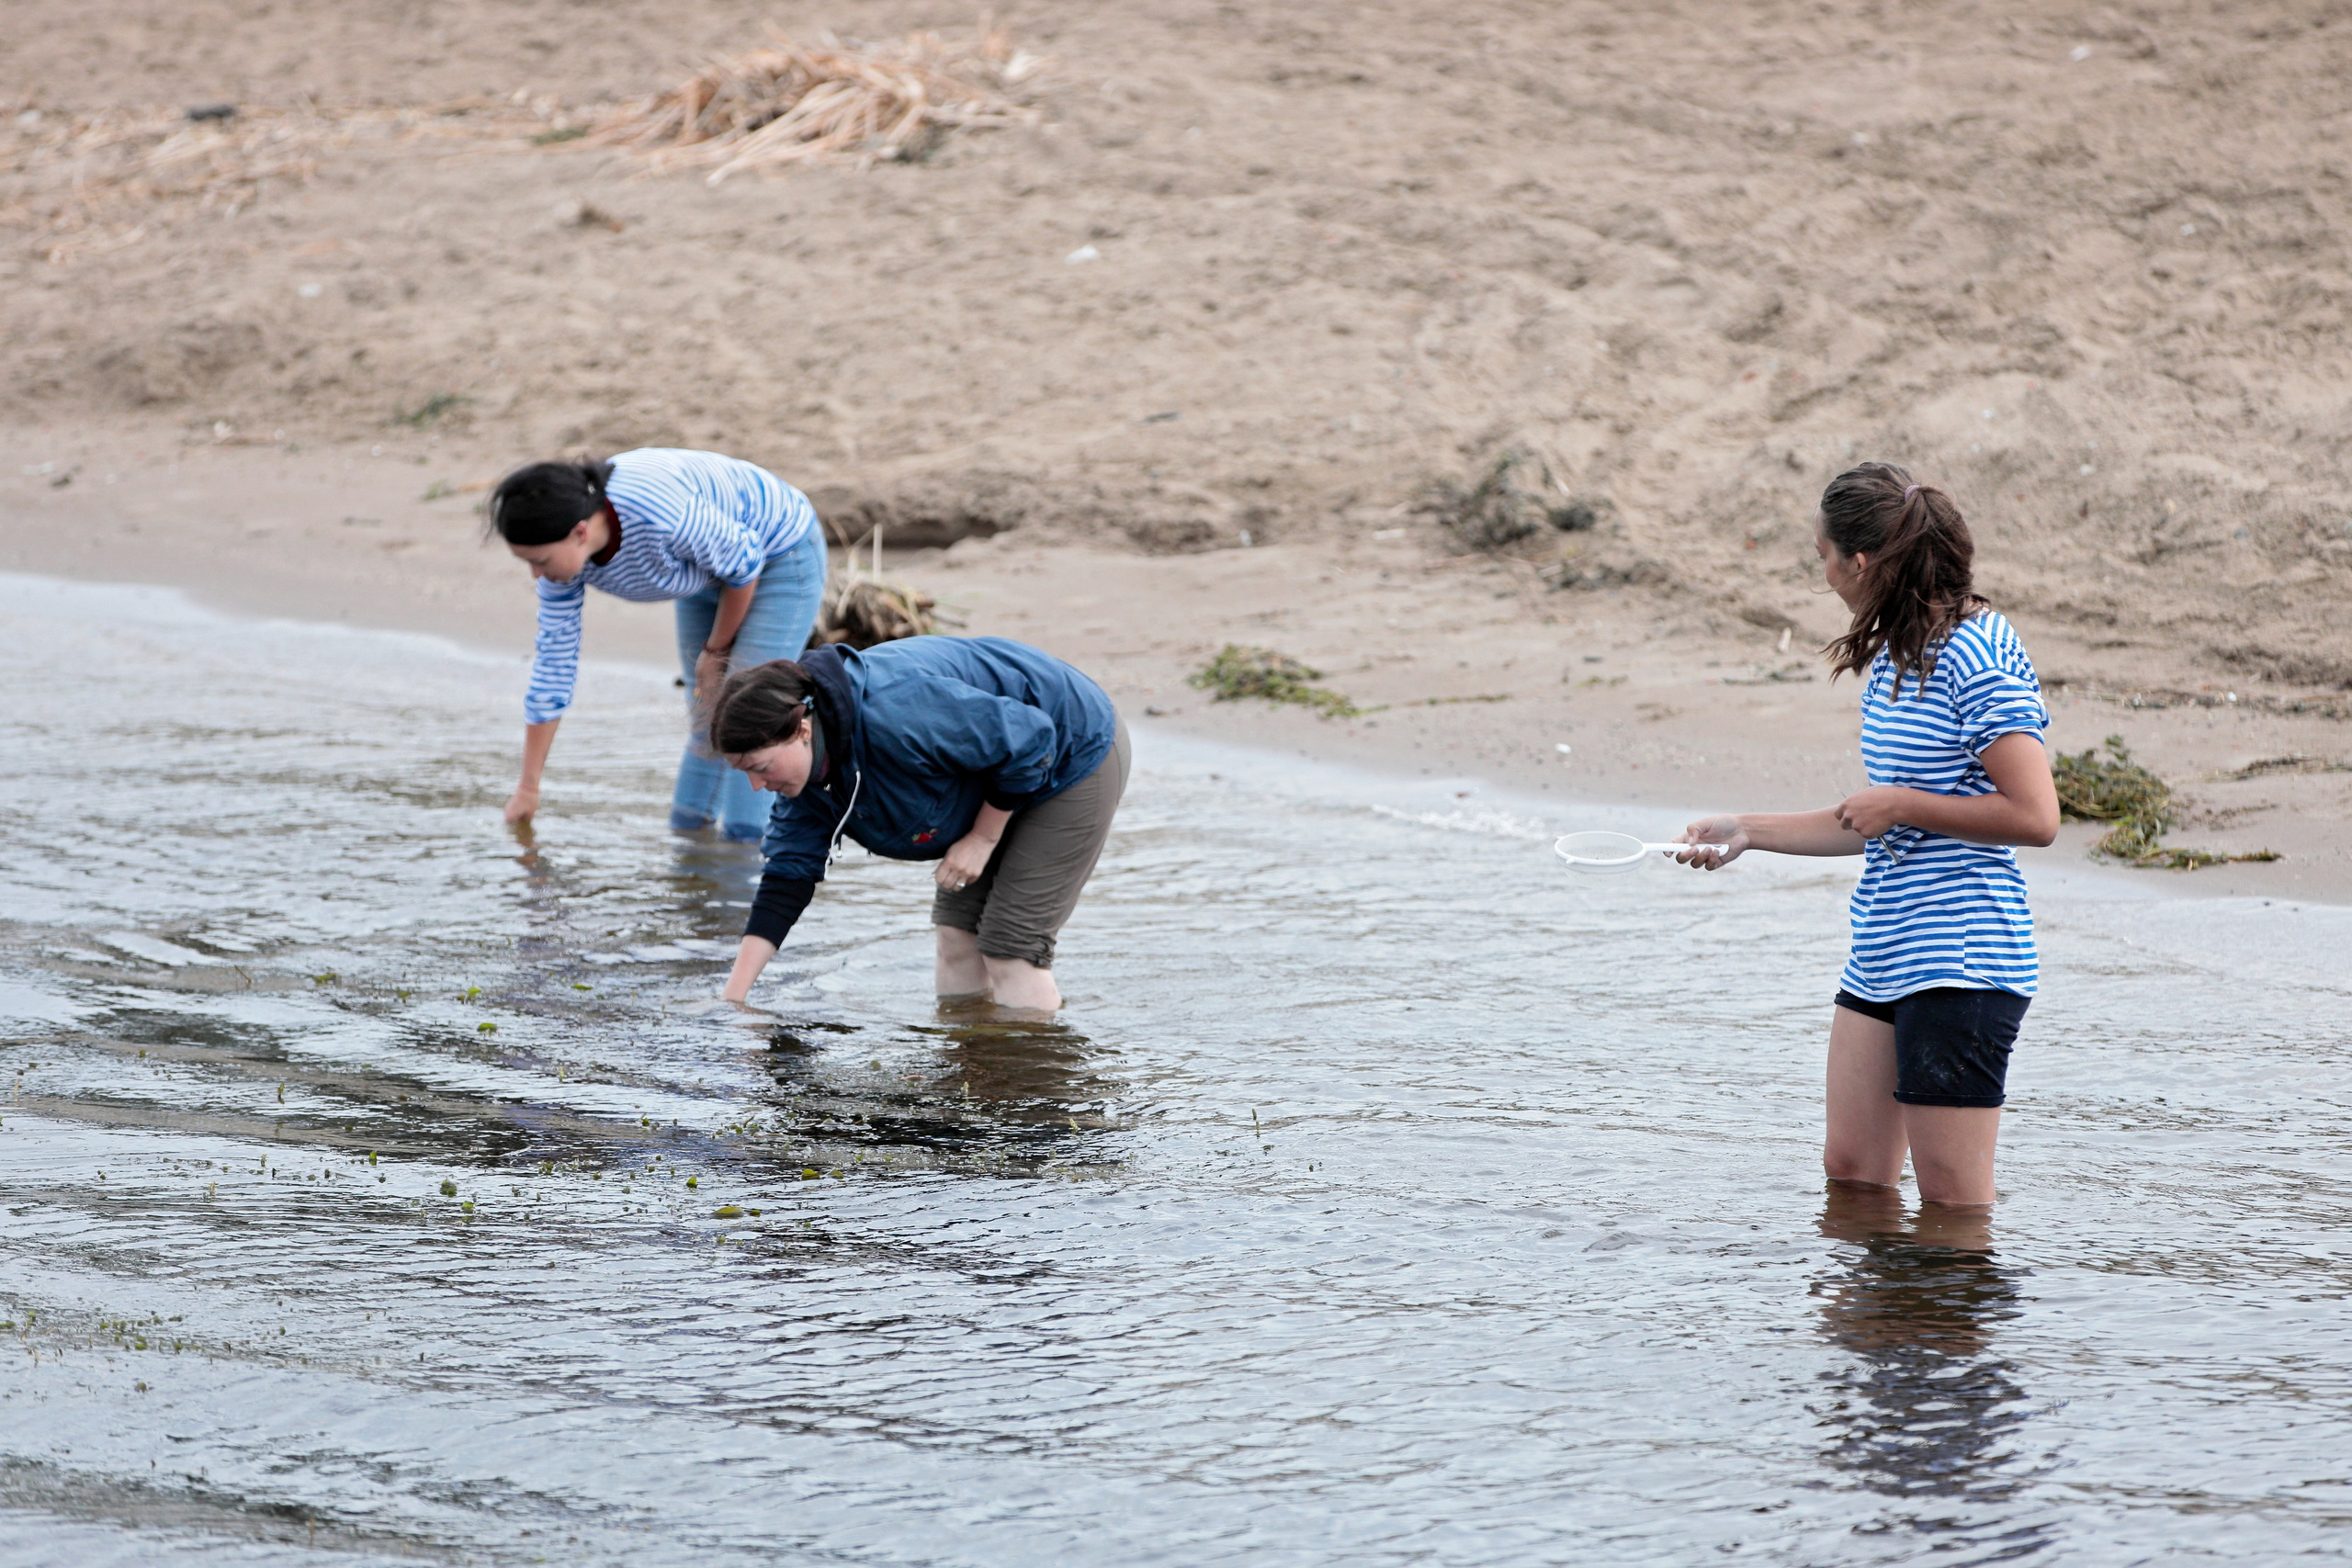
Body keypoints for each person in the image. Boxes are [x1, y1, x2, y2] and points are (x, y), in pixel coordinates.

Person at [1676, 464, 2059, 1208]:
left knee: (1954, 1210)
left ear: (1859, 561)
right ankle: (1875, 1328)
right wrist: (1746, 830)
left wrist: (1906, 805)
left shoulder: (1976, 650)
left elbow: (2035, 815)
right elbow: (1873, 819)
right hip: (1884, 951)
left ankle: (1945, 1325)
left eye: (1822, 557)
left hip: (1962, 963)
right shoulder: (1895, 656)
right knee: (1851, 1174)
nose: (1822, 574)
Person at [707, 636, 1129, 1012]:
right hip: (997, 773)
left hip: (1072, 748)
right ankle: (968, 1074)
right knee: (956, 936)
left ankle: (1027, 1092)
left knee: (1011, 948)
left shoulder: (895, 710)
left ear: (801, 728)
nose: (757, 786)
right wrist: (735, 1001)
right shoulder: (804, 781)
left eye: (760, 767)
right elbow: (785, 881)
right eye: (743, 773)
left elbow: (1031, 740)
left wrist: (983, 837)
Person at [487, 447, 827, 840]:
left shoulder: (658, 511)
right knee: (708, 719)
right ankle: (690, 852)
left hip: (777, 553)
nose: (536, 574)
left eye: (541, 560)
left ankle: (747, 857)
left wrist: (715, 652)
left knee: (753, 723)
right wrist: (529, 787)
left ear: (580, 532)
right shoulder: (561, 569)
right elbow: (553, 669)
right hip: (706, 570)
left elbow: (744, 562)